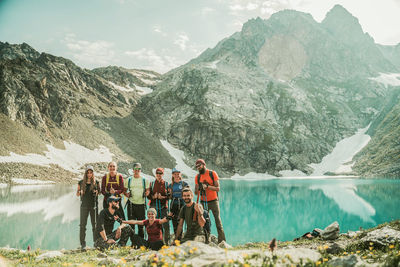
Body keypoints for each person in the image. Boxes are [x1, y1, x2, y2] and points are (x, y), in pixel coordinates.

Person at [194, 158, 226, 243]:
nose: (198, 168)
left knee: (218, 222)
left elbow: (218, 188)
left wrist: (207, 187)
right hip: (203, 202)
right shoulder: (197, 177)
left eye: (199, 165)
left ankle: (222, 241)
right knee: (205, 222)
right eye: (197, 167)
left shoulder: (212, 173)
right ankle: (207, 240)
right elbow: (196, 192)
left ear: (204, 165)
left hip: (214, 201)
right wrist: (199, 188)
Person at [123, 162, 150, 238]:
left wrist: (147, 193)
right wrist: (126, 194)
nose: (137, 170)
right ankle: (133, 243)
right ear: (133, 170)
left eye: (139, 169)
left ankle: (141, 242)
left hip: (141, 205)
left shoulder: (145, 180)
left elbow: (148, 190)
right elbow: (124, 190)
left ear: (140, 170)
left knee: (141, 225)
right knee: (131, 225)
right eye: (135, 169)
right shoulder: (129, 180)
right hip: (131, 205)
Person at [76, 165, 100, 250]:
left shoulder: (96, 182)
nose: (89, 174)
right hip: (84, 207)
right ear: (86, 173)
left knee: (95, 225)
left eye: (91, 172)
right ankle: (83, 244)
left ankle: (96, 242)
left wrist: (97, 192)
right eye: (88, 173)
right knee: (83, 226)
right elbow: (77, 194)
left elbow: (99, 193)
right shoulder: (81, 182)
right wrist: (80, 191)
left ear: (93, 173)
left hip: (94, 206)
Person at [148, 167, 170, 244]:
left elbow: (169, 196)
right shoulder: (152, 183)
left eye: (160, 173)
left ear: (163, 174)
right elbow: (148, 196)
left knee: (166, 225)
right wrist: (153, 197)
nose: (158, 175)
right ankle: (155, 242)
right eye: (157, 173)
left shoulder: (166, 184)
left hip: (163, 207)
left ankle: (166, 243)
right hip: (154, 206)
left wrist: (162, 197)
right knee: (154, 225)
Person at [167, 168, 188, 238]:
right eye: (175, 174)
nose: (176, 175)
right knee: (174, 221)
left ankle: (180, 237)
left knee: (181, 220)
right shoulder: (170, 185)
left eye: (177, 174)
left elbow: (188, 194)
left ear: (180, 174)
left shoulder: (184, 184)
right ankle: (177, 237)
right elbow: (169, 197)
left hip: (182, 204)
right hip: (173, 204)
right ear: (172, 175)